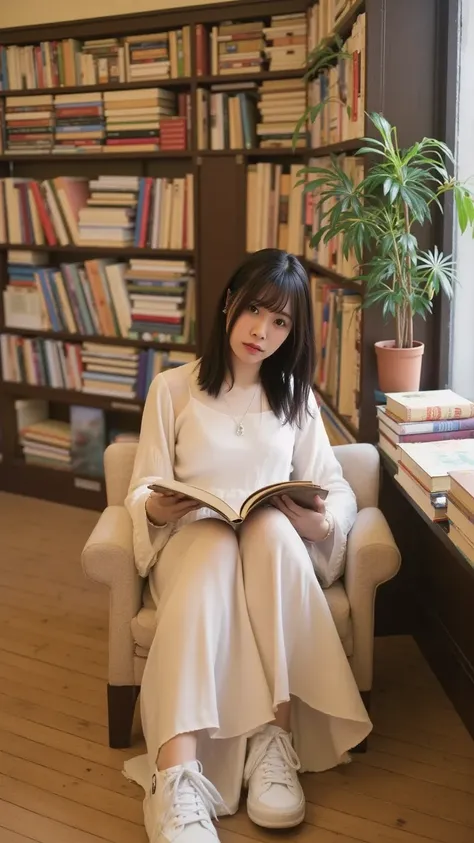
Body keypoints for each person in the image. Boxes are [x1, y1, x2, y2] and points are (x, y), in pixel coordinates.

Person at [123, 248, 372, 843]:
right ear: (228, 302)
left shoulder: (296, 396)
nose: (263, 331)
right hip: (191, 542)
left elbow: (334, 486)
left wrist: (320, 525)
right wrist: (157, 508)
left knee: (268, 534)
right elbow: (139, 489)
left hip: (267, 545)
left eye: (282, 321)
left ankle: (272, 744)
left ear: (294, 332)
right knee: (213, 545)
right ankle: (174, 777)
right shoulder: (173, 389)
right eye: (255, 310)